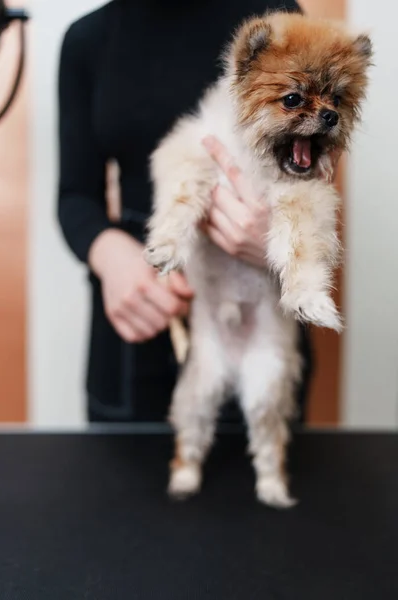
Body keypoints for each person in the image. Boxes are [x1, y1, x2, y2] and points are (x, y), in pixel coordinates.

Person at [57, 0, 313, 423]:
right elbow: (74, 196)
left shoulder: (275, 20)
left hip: (253, 313)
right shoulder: (87, 40)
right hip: (141, 315)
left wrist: (280, 237)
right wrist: (110, 253)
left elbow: (310, 168)